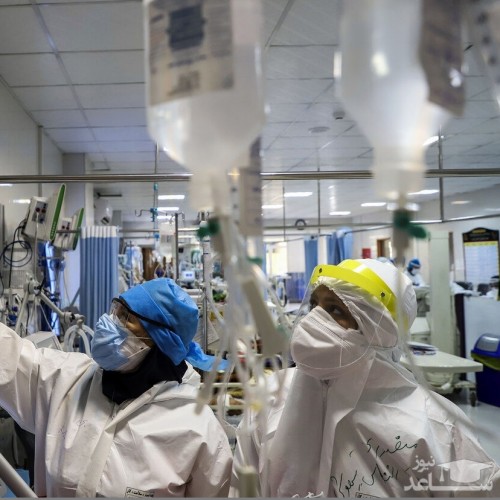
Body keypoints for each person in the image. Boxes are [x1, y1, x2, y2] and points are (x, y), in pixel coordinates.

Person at [231, 259, 500, 497]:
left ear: (380, 331)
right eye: (314, 305)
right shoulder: (271, 396)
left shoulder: (435, 426)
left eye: (336, 310)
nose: (312, 320)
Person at [0, 278, 232, 497]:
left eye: (126, 317)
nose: (109, 321)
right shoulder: (67, 379)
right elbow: (9, 356)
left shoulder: (198, 430)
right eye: (116, 310)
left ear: (160, 339)